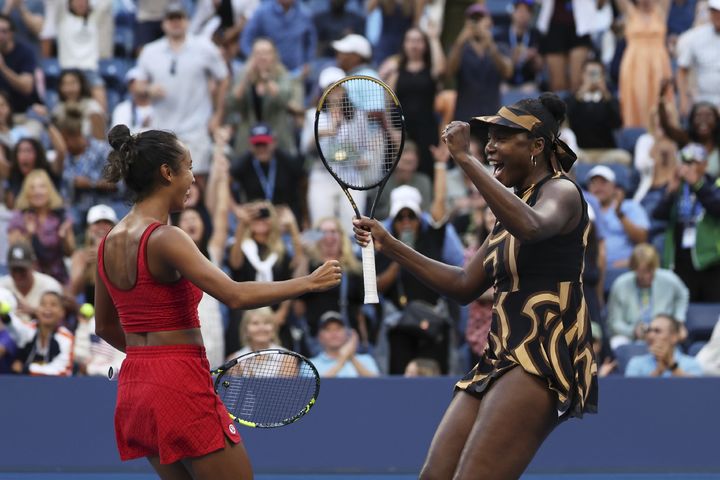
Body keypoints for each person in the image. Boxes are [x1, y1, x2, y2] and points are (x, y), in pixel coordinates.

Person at [354, 92, 597, 478]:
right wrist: (390, 244)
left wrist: (465, 160)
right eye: (488, 139)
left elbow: (533, 227)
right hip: (499, 355)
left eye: (501, 138)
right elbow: (465, 284)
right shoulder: (510, 212)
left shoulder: (562, 192)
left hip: (539, 354)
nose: (490, 147)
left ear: (536, 145)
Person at [94, 124, 341, 478]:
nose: (193, 178)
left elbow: (104, 326)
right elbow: (234, 294)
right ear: (167, 173)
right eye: (189, 167)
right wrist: (307, 282)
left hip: (135, 386)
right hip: (176, 382)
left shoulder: (107, 242)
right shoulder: (166, 238)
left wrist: (156, 362)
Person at [606, 243, 689, 349]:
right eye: (642, 272)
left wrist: (678, 321)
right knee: (616, 343)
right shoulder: (620, 284)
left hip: (662, 333)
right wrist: (633, 331)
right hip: (631, 335)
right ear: (634, 268)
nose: (647, 276)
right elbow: (614, 322)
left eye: (650, 271)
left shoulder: (669, 279)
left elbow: (683, 294)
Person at [7, 290, 74, 376]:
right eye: (43, 304)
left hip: (55, 386)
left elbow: (62, 371)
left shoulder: (66, 337)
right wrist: (6, 316)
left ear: (62, 312)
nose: (47, 308)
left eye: (53, 304)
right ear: (37, 311)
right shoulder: (29, 329)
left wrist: (27, 368)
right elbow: (14, 327)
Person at [0, 241, 63, 323]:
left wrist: (34, 312)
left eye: (22, 269)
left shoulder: (49, 286)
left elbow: (59, 320)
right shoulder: (2, 287)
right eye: (14, 269)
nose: (18, 274)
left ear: (33, 265)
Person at [625, 313, 703, 377]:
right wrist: (658, 372)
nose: (650, 336)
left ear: (674, 337)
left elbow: (694, 390)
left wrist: (672, 366)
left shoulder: (692, 364)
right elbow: (632, 393)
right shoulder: (636, 363)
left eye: (657, 331)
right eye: (649, 330)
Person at [309, 310, 380, 378]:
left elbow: (378, 385)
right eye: (328, 329)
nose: (334, 333)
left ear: (346, 334)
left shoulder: (366, 359)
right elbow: (316, 388)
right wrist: (343, 359)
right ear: (320, 336)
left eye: (338, 328)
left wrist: (351, 357)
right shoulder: (310, 365)